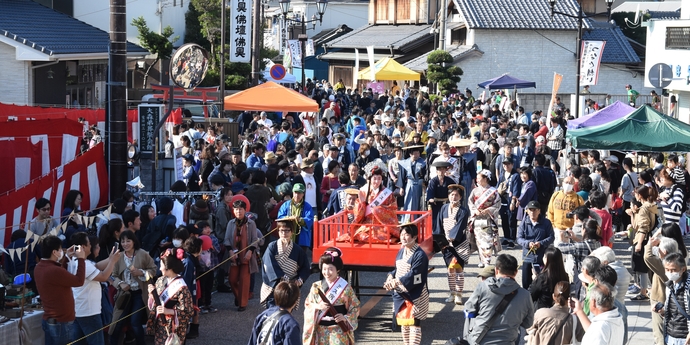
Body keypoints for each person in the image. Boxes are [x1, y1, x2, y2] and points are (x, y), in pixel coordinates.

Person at [464, 254, 534, 345]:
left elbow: (469, 310)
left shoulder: (483, 287)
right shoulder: (525, 295)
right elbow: (528, 323)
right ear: (516, 272)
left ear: (496, 270)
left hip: (480, 341)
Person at [68, 233, 120, 345]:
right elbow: (103, 277)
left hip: (79, 310)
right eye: (89, 244)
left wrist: (110, 258)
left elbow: (96, 267)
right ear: (83, 247)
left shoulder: (74, 262)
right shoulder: (84, 265)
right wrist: (112, 261)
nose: (91, 246)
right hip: (89, 312)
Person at [34, 235, 86, 345]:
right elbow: (79, 281)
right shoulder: (53, 270)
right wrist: (81, 259)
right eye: (60, 249)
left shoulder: (39, 267)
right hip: (61, 323)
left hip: (52, 320)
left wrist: (66, 258)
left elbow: (59, 275)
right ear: (54, 252)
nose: (62, 251)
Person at [303, 248, 360, 345]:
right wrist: (318, 307)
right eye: (324, 269)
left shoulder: (345, 288)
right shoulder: (316, 286)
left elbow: (355, 307)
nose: (327, 272)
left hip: (338, 329)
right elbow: (308, 305)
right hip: (320, 329)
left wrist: (345, 317)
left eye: (330, 269)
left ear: (337, 270)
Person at [384, 224, 429, 345]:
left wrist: (396, 281)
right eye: (402, 234)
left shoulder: (420, 255)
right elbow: (396, 269)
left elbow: (415, 274)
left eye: (407, 235)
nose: (403, 238)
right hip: (400, 292)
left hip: (415, 293)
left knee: (414, 323)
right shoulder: (401, 251)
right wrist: (390, 276)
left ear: (414, 237)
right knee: (404, 323)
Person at [110, 230, 157, 345]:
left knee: (135, 321)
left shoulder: (142, 253)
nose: (125, 244)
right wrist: (121, 283)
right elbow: (112, 275)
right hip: (124, 293)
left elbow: (154, 270)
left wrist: (141, 272)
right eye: (123, 241)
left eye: (128, 241)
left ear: (134, 241)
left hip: (139, 293)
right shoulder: (119, 256)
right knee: (117, 322)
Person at [146, 248, 195, 345]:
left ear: (169, 268)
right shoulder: (160, 280)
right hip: (160, 323)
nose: (159, 268)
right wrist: (152, 295)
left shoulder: (182, 287)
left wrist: (169, 311)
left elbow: (188, 311)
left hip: (174, 326)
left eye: (161, 266)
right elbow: (155, 303)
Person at [260, 217, 311, 308]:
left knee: (286, 313)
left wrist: (300, 279)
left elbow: (305, 267)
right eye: (281, 231)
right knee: (273, 313)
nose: (284, 233)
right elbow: (269, 265)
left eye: (287, 231)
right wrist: (282, 276)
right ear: (278, 232)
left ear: (292, 232)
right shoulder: (272, 247)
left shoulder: (297, 249)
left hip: (289, 287)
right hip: (274, 286)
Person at [342, 166, 398, 243]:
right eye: (374, 178)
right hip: (367, 224)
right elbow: (358, 214)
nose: (377, 181)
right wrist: (361, 203)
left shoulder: (387, 194)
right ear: (370, 179)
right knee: (361, 235)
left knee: (383, 235)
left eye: (379, 178)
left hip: (382, 224)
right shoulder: (364, 191)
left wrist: (378, 210)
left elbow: (393, 209)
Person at [436, 184, 470, 305]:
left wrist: (452, 239)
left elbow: (459, 227)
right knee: (450, 270)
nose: (453, 197)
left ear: (460, 197)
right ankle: (452, 292)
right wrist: (440, 241)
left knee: (458, 268)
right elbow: (439, 226)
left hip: (459, 244)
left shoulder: (463, 211)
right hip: (446, 244)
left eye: (456, 195)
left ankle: (459, 294)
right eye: (451, 194)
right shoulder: (444, 208)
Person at [225, 199, 260, 311]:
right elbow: (226, 240)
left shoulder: (251, 223)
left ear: (245, 210)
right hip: (234, 256)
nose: (238, 211)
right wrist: (230, 251)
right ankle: (239, 296)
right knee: (232, 279)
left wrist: (250, 251)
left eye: (241, 209)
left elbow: (255, 239)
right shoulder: (230, 223)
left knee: (244, 280)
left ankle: (242, 304)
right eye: (236, 209)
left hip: (246, 256)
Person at [645, 236, 679, 344]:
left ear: (664, 251)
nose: (657, 250)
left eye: (659, 248)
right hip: (670, 299)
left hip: (660, 299)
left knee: (659, 332)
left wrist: (649, 244)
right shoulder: (677, 260)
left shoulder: (664, 264)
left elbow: (647, 257)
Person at [517, 200, 554, 289]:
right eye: (530, 210)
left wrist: (541, 243)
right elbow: (519, 238)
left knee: (542, 282)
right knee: (526, 282)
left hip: (541, 256)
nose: (532, 212)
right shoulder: (524, 223)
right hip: (527, 256)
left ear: (539, 211)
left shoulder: (546, 223)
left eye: (535, 210)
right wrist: (528, 243)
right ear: (527, 211)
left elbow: (551, 237)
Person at [628, 185, 656, 300]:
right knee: (644, 267)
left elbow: (643, 227)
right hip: (647, 238)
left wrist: (639, 243)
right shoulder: (651, 206)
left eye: (635, 193)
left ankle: (644, 291)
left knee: (641, 267)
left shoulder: (644, 209)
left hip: (642, 239)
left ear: (639, 195)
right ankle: (646, 290)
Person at [468, 170, 501, 267]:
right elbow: (470, 203)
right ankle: (482, 260)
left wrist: (488, 210)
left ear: (486, 179)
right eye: (477, 178)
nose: (477, 180)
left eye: (479, 178)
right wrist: (475, 210)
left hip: (488, 218)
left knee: (488, 239)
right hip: (477, 218)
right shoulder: (475, 191)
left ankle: (487, 260)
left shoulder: (493, 191)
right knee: (479, 239)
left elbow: (497, 204)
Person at [557, 219, 602, 284]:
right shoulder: (598, 243)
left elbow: (560, 248)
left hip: (582, 276)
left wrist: (560, 238)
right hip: (595, 275)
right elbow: (585, 245)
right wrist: (575, 238)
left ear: (584, 230)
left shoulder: (578, 246)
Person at [660, 252, 690, 345]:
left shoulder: (688, 287)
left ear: (683, 269)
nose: (669, 273)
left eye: (673, 270)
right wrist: (663, 310)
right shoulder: (669, 285)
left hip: (685, 337)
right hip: (670, 335)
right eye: (667, 269)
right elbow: (673, 310)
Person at [528, 246, 569, 311]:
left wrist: (535, 280)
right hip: (560, 309)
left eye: (544, 256)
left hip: (542, 310)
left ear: (547, 259)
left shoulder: (542, 278)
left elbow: (531, 294)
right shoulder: (565, 275)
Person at [547, 176, 584, 247]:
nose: (568, 184)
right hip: (557, 229)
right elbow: (550, 211)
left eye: (570, 183)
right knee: (557, 251)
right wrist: (552, 225)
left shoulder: (578, 199)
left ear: (573, 185)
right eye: (566, 182)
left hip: (571, 230)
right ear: (563, 183)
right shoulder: (556, 195)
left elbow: (582, 215)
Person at [277, 183, 315, 250]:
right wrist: (287, 218)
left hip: (302, 239)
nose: (297, 195)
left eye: (300, 193)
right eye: (295, 192)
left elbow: (310, 220)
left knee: (300, 259)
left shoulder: (307, 206)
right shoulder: (285, 205)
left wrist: (299, 220)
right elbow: (280, 217)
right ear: (292, 192)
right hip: (287, 238)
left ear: (303, 194)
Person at [397, 145, 426, 223]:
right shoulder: (405, 163)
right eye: (414, 153)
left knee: (420, 204)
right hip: (410, 184)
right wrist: (401, 188)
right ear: (410, 154)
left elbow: (426, 175)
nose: (416, 155)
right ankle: (407, 221)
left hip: (420, 185)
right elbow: (402, 176)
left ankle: (419, 221)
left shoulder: (423, 163)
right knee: (409, 203)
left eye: (418, 153)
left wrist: (425, 185)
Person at [426, 161, 456, 227]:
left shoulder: (449, 180)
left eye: (443, 169)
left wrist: (451, 198)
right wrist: (431, 198)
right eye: (439, 170)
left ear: (445, 170)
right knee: (435, 216)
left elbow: (454, 189)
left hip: (447, 202)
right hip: (435, 203)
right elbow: (430, 191)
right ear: (437, 171)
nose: (441, 171)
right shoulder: (433, 181)